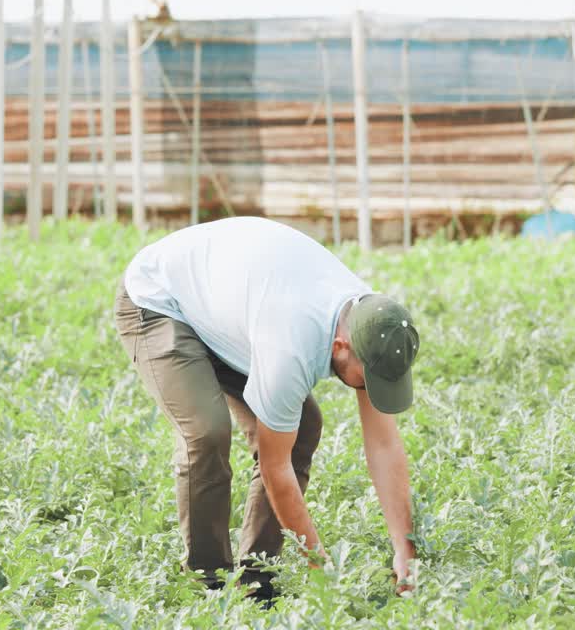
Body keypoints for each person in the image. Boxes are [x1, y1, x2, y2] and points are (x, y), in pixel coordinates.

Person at [113, 216, 420, 599]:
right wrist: (318, 563)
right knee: (207, 433)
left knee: (302, 427)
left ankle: (258, 580)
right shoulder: (290, 346)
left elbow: (385, 446)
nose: (373, 389)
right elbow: (278, 468)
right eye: (370, 378)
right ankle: (209, 586)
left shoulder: (373, 326)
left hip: (229, 307)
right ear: (340, 346)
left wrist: (405, 552)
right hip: (159, 301)